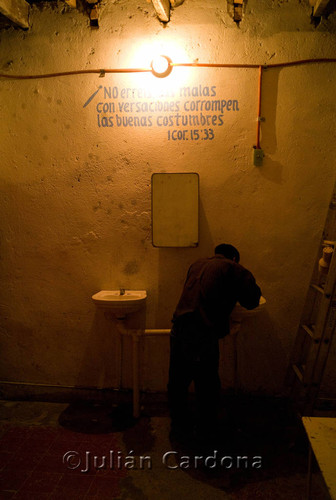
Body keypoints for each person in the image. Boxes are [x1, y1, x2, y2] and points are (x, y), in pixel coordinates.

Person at [167, 243, 261, 443]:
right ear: (234, 258)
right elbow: (252, 300)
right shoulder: (233, 268)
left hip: (179, 329)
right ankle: (206, 431)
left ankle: (178, 426)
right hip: (201, 333)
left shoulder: (197, 264)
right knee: (207, 384)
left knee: (178, 380)